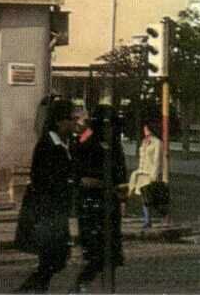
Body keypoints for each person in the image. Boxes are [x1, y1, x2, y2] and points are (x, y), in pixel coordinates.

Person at [14, 99, 75, 292]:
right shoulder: (48, 145)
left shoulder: (64, 143)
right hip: (47, 210)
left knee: (53, 260)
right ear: (59, 122)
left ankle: (32, 290)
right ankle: (26, 291)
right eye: (70, 119)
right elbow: (43, 178)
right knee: (52, 259)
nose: (74, 123)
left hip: (56, 211)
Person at [72, 104, 128, 290]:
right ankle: (80, 288)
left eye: (112, 126)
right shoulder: (86, 143)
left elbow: (121, 174)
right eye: (106, 125)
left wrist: (122, 195)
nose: (110, 129)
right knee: (95, 257)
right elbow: (80, 175)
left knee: (111, 258)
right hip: (91, 206)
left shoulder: (115, 147)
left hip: (110, 207)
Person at [127, 121, 163, 230]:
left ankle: (149, 219)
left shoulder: (157, 142)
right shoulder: (144, 141)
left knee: (149, 197)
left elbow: (157, 160)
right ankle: (147, 219)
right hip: (142, 173)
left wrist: (154, 174)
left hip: (150, 173)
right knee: (144, 197)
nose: (145, 131)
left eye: (146, 129)